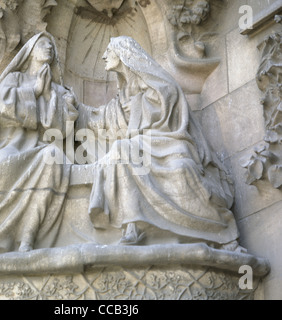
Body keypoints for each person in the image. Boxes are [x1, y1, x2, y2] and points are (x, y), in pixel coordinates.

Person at [77, 36, 241, 250]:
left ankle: (216, 227)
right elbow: (100, 120)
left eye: (109, 50)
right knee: (121, 151)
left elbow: (171, 119)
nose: (104, 55)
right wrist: (71, 106)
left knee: (139, 155)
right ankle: (133, 225)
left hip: (167, 142)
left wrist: (140, 108)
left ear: (124, 54)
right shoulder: (122, 96)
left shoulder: (160, 87)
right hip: (142, 146)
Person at [0, 32, 78, 261]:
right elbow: (1, 108)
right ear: (30, 51)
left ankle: (27, 238)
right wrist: (34, 92)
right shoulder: (15, 80)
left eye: (51, 45)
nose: (48, 48)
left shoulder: (57, 90)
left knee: (55, 157)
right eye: (42, 44)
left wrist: (57, 101)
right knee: (3, 164)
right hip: (13, 147)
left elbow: (60, 131)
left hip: (40, 150)